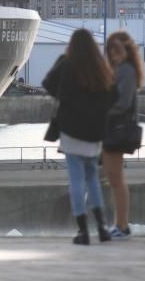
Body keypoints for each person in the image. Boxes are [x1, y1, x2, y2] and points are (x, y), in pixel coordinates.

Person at [43, 28, 115, 245]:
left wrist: (62, 61)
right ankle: (102, 227)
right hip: (94, 134)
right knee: (93, 178)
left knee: (76, 179)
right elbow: (111, 97)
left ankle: (83, 231)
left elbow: (48, 84)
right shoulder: (101, 68)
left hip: (71, 130)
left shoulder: (67, 64)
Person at [102, 31, 145, 240]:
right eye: (110, 51)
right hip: (113, 129)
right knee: (114, 179)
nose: (113, 54)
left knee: (116, 180)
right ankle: (120, 224)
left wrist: (102, 111)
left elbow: (124, 102)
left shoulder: (125, 71)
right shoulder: (121, 69)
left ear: (126, 51)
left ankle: (122, 225)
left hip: (116, 130)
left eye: (116, 50)